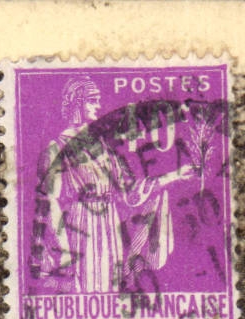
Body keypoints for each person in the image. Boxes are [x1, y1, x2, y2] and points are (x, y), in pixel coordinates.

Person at [43, 76, 197, 293]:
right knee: (85, 287)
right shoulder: (57, 148)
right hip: (80, 226)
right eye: (92, 100)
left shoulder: (104, 147)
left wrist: (174, 176)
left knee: (110, 289)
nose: (98, 105)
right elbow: (51, 202)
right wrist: (64, 252)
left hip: (109, 223)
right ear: (78, 102)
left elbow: (130, 193)